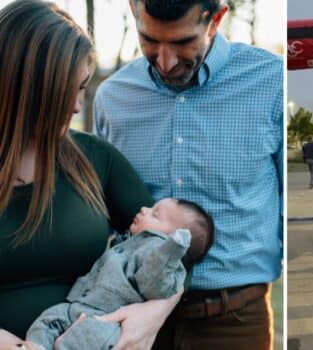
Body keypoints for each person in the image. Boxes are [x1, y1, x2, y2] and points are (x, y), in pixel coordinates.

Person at [93, 0, 283, 348]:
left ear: (217, 19)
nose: (165, 61)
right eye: (149, 40)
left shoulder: (271, 83)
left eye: (182, 42)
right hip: (133, 319)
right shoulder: (111, 99)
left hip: (234, 322)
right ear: (134, 10)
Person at [0, 1, 181, 349]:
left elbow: (168, 247)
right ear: (25, 87)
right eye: (67, 89)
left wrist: (155, 313)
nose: (77, 105)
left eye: (82, 87)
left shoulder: (95, 160)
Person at [26, 198, 214, 350]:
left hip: (108, 321)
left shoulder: (157, 254)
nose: (143, 209)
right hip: (79, 307)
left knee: (87, 339)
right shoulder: (128, 241)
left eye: (155, 214)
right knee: (47, 320)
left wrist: (170, 251)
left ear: (171, 240)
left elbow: (154, 283)